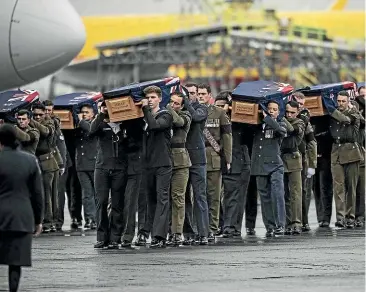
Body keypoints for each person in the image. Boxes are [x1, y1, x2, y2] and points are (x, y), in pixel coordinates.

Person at [0, 124, 44, 292]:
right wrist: (38, 220)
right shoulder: (29, 160)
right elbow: (37, 194)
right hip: (21, 217)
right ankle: (13, 290)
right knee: (15, 261)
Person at [137, 86, 173, 248]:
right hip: (146, 164)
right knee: (148, 200)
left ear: (159, 99)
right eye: (148, 98)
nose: (150, 100)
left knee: (162, 198)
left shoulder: (165, 115)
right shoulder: (141, 117)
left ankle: (159, 235)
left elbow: (154, 126)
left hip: (163, 163)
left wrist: (144, 108)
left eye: (152, 97)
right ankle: (145, 232)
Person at [90, 101, 128, 249]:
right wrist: (101, 113)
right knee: (102, 202)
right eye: (103, 107)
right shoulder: (99, 124)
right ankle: (101, 237)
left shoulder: (123, 125)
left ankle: (115, 237)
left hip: (119, 168)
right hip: (102, 168)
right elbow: (91, 130)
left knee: (118, 204)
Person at [323, 91, 362, 228]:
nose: (340, 104)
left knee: (351, 186)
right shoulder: (333, 114)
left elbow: (345, 120)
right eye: (338, 101)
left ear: (348, 101)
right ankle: (340, 217)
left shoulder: (354, 113)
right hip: (336, 151)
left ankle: (350, 217)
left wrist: (331, 108)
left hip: (351, 151)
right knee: (338, 186)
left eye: (343, 101)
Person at [198, 83, 232, 242]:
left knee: (214, 196)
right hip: (196, 158)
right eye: (199, 94)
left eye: (203, 94)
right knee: (197, 196)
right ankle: (200, 229)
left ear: (209, 95)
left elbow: (226, 137)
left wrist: (228, 159)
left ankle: (212, 228)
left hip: (213, 157)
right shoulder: (192, 112)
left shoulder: (219, 113)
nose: (200, 96)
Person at [214, 92, 250, 238]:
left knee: (234, 198)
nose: (220, 109)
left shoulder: (239, 121)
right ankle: (224, 225)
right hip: (219, 162)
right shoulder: (213, 119)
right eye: (218, 106)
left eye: (223, 106)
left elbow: (248, 136)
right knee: (219, 197)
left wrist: (231, 115)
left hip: (238, 163)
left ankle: (231, 227)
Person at [251, 100, 287, 237]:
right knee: (264, 197)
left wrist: (267, 117)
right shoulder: (256, 124)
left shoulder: (280, 122)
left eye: (274, 109)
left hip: (275, 165)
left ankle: (280, 224)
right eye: (269, 108)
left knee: (277, 195)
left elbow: (282, 131)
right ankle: (270, 226)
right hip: (259, 164)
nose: (271, 111)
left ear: (278, 112)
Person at [182, 82, 210, 245]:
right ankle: (188, 232)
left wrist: (186, 103)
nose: (191, 96)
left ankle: (203, 232)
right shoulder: (181, 109)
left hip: (198, 159)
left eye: (193, 93)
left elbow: (197, 118)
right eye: (189, 93)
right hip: (182, 159)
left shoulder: (202, 108)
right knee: (183, 198)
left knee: (200, 196)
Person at [166, 91, 192, 246]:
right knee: (165, 199)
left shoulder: (186, 116)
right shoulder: (163, 115)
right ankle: (167, 231)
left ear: (182, 105)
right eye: (171, 102)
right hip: (164, 161)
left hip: (180, 162)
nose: (173, 105)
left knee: (178, 198)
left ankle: (177, 232)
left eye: (176, 103)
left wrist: (167, 107)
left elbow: (178, 122)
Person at [30, 103, 59, 233]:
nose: (37, 117)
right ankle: (40, 221)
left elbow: (46, 132)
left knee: (47, 194)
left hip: (47, 162)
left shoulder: (50, 122)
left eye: (40, 115)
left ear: (45, 113)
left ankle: (48, 222)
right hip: (35, 161)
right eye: (34, 115)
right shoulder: (31, 123)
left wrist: (30, 120)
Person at [281, 101, 305, 235]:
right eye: (287, 112)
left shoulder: (300, 122)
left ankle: (296, 222)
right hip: (281, 158)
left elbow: (291, 129)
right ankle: (287, 222)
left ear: (297, 112)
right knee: (283, 194)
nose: (289, 114)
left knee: (295, 193)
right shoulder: (282, 120)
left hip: (293, 158)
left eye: (292, 112)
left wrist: (281, 117)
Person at [75, 104, 98, 230]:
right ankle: (89, 219)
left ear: (93, 114)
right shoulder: (78, 125)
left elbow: (91, 130)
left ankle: (97, 218)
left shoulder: (95, 123)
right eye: (82, 112)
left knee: (97, 193)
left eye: (87, 112)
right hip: (82, 164)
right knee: (87, 194)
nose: (84, 114)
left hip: (94, 163)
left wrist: (81, 121)